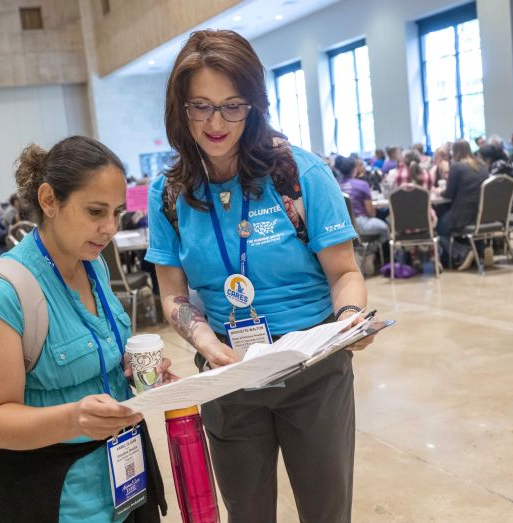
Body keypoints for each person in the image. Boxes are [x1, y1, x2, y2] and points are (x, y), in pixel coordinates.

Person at [146, 30, 375, 522]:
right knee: (246, 512)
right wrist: (206, 343)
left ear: (254, 105)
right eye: (200, 106)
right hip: (228, 372)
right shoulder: (170, 192)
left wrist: (350, 317)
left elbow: (344, 273)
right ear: (179, 108)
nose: (216, 122)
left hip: (312, 371)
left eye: (232, 105)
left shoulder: (299, 175)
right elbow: (171, 294)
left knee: (326, 510)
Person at [0, 136, 172, 522]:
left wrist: (138, 375)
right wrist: (73, 418)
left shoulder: (94, 267)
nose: (109, 228)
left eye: (117, 213)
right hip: (54, 499)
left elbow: (98, 355)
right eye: (95, 211)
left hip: (125, 484)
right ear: (49, 200)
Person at [437, 140, 490, 271]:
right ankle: (482, 250)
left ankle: (463, 251)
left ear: (454, 152)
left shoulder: (457, 167)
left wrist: (439, 192)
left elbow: (449, 194)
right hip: (483, 213)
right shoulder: (482, 165)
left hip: (464, 214)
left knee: (439, 228)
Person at [336, 155, 389, 244]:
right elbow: (371, 213)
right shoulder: (362, 185)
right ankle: (372, 250)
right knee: (386, 228)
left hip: (343, 226)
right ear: (354, 169)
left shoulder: (336, 186)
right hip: (361, 224)